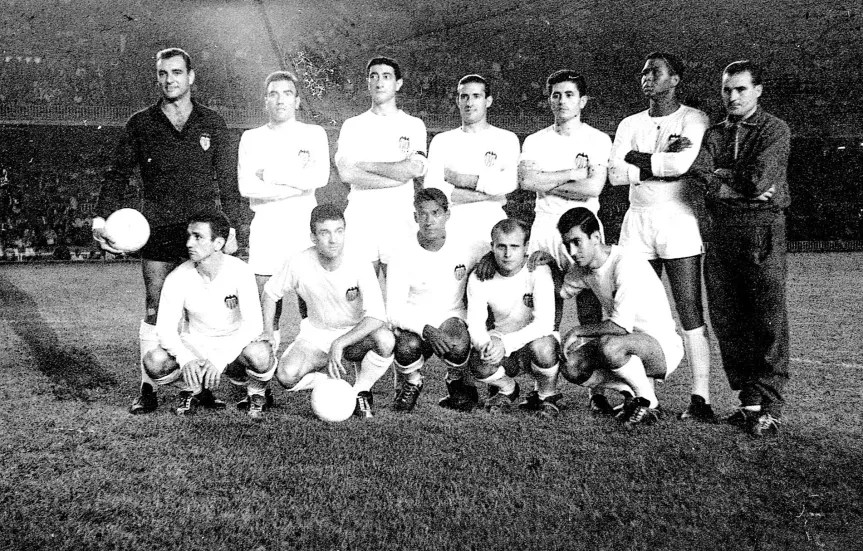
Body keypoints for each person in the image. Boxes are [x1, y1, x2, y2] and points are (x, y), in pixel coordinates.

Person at [93, 48, 243, 415]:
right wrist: (100, 219)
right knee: (155, 306)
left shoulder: (212, 122)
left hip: (202, 232)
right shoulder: (141, 123)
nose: (169, 79)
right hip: (158, 228)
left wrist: (233, 228)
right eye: (163, 73)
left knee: (200, 310)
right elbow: (117, 175)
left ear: (191, 77)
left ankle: (201, 388)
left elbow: (228, 180)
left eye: (176, 72)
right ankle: (147, 389)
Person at [608, 52, 714, 422]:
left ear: (675, 79)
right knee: (635, 312)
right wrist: (659, 161)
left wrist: (636, 159)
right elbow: (615, 174)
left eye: (654, 72)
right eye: (643, 72)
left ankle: (700, 398)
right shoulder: (629, 122)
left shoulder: (693, 118)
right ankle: (644, 397)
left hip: (677, 218)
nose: (646, 77)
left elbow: (681, 164)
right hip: (636, 220)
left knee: (689, 311)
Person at [688, 60, 791, 437]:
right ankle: (749, 404)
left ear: (758, 90)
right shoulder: (714, 134)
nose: (732, 96)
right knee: (728, 318)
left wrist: (724, 178)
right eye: (727, 90)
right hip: (721, 232)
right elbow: (698, 176)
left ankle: (771, 407)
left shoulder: (774, 129)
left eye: (741, 89)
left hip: (761, 229)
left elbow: (759, 180)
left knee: (766, 315)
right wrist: (732, 184)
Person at [261, 203, 395, 418]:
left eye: (339, 231)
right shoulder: (299, 262)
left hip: (355, 335)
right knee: (286, 376)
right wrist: (268, 330)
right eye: (325, 233)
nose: (333, 240)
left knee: (386, 340)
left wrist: (340, 343)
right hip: (317, 335)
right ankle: (330, 382)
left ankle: (360, 390)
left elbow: (377, 316)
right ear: (313, 237)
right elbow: (270, 292)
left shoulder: (359, 262)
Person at [557, 207, 684, 428]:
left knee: (610, 345)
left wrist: (577, 331)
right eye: (567, 245)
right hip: (626, 345)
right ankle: (631, 390)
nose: (572, 251)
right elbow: (560, 291)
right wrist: (548, 263)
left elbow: (620, 326)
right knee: (571, 367)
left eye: (577, 242)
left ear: (596, 237)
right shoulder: (582, 269)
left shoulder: (626, 262)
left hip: (661, 347)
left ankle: (649, 403)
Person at [142, 210, 272, 418]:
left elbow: (253, 326)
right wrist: (185, 358)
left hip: (234, 349)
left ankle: (256, 393)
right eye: (189, 236)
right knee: (153, 361)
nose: (189, 243)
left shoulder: (240, 271)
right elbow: (165, 330)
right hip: (196, 347)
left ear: (218, 243)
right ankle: (192, 388)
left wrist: (221, 359)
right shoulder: (177, 277)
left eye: (198, 237)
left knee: (261, 353)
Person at [237, 70, 330, 356]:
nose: (280, 100)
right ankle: (264, 371)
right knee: (266, 306)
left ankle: (310, 363)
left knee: (310, 303)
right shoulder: (251, 138)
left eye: (287, 94)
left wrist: (270, 175)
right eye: (273, 94)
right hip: (266, 226)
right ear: (265, 101)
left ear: (297, 101)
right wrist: (298, 183)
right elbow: (247, 187)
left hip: (303, 225)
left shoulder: (314, 134)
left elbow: (320, 178)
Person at [518, 69, 611, 328]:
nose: (562, 101)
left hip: (583, 224)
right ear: (549, 100)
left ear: (582, 101)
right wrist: (572, 175)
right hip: (545, 226)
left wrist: (545, 181)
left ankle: (588, 352)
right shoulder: (535, 140)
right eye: (556, 95)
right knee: (545, 310)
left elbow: (593, 187)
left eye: (569, 94)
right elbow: (527, 182)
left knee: (589, 306)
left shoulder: (597, 139)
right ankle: (548, 351)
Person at [386, 188, 489, 412]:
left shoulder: (468, 244)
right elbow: (393, 310)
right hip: (415, 319)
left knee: (457, 343)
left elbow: (502, 253)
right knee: (406, 347)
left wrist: (539, 259)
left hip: (451, 315)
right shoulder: (401, 252)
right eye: (423, 214)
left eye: (435, 213)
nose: (429, 220)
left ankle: (457, 380)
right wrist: (425, 329)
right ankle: (412, 381)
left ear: (447, 214)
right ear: (415, 217)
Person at [335, 56, 428, 276]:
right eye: (373, 76)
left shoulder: (413, 125)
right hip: (360, 217)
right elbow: (346, 174)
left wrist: (364, 164)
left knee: (398, 290)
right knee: (359, 290)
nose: (379, 82)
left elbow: (414, 170)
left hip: (399, 218)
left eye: (386, 76)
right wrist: (398, 176)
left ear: (398, 83)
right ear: (367, 82)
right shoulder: (353, 125)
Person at [466, 218, 561, 416]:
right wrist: (486, 345)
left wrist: (506, 344)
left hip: (535, 341)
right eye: (501, 246)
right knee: (479, 360)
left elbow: (544, 324)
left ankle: (546, 396)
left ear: (526, 247)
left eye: (514, 246)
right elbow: (475, 324)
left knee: (543, 347)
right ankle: (507, 389)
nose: (507, 254)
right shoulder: (479, 276)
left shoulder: (539, 271)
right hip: (502, 337)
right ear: (492, 246)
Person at [424, 74, 519, 243]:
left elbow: (508, 183)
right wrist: (489, 195)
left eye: (476, 96)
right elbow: (434, 190)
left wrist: (459, 179)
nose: (469, 103)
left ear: (488, 101)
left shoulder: (506, 138)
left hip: (492, 224)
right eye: (464, 96)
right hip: (453, 224)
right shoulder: (442, 141)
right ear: (457, 101)